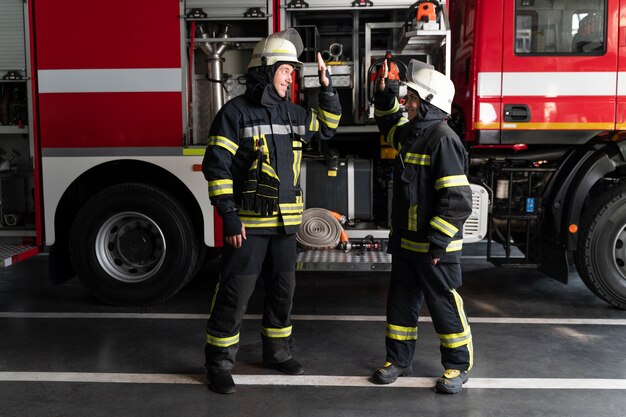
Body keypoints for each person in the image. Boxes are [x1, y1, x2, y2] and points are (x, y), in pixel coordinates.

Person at [201, 29, 341, 395]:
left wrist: (326, 87)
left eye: (293, 72)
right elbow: (217, 167)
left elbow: (326, 129)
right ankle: (218, 362)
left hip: (284, 227)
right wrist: (228, 216)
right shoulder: (234, 113)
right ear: (265, 70)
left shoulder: (293, 113)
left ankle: (276, 352)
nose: (290, 76)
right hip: (247, 226)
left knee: (283, 292)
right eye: (285, 70)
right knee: (234, 294)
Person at [371, 60, 473, 394]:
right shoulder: (414, 134)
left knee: (443, 305)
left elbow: (457, 199)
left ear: (429, 102)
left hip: (433, 249)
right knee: (400, 304)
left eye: (412, 97)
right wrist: (383, 92)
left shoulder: (443, 140)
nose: (407, 102)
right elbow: (388, 124)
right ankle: (398, 360)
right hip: (406, 244)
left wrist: (438, 243)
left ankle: (457, 367)